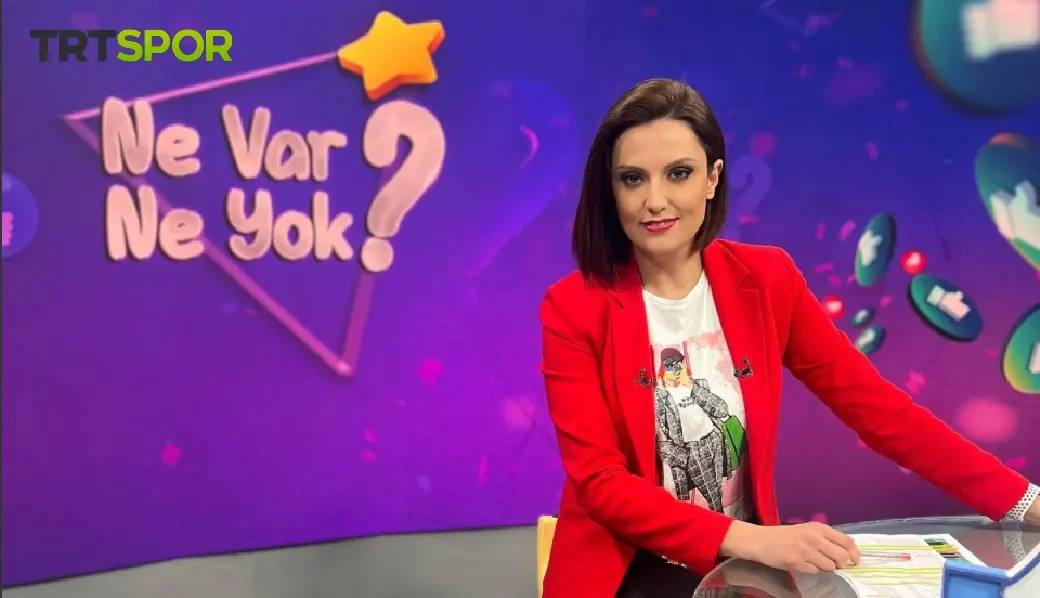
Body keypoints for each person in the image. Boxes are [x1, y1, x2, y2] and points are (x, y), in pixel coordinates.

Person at [537, 78, 1040, 598]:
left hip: (743, 571)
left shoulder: (767, 279)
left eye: (678, 174)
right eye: (633, 179)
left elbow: (882, 412)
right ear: (611, 190)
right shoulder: (572, 308)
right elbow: (601, 483)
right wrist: (753, 540)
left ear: (712, 179)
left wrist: (1023, 501)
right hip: (625, 573)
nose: (655, 201)